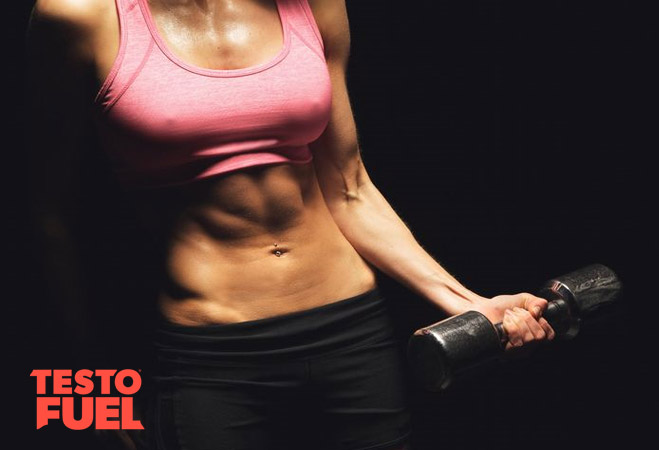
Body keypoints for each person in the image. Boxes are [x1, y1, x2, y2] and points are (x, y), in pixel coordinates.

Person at [25, 0, 556, 449]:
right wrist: (87, 392)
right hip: (211, 354)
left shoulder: (310, 3)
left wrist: (467, 301)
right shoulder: (80, 15)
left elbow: (350, 187)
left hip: (353, 334)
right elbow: (45, 218)